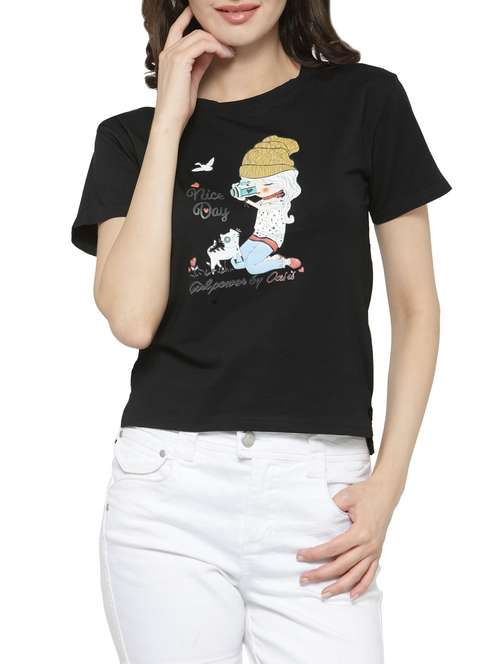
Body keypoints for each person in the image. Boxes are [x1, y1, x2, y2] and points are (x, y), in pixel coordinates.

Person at [71, 2, 451, 662]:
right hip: (168, 496)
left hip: (322, 495)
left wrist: (387, 485)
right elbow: (132, 319)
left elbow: (416, 309)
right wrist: (169, 122)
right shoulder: (130, 138)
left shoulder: (367, 102)